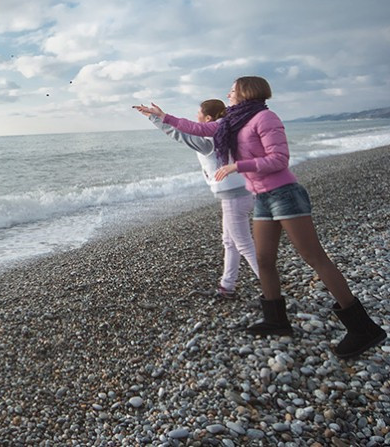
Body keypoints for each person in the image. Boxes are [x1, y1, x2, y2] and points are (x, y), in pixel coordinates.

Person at [137, 76, 386, 359]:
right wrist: (162, 116)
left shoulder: (266, 118)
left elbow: (279, 159)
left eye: (232, 91)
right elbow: (199, 128)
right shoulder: (233, 121)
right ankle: (276, 321)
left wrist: (236, 166)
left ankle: (364, 328)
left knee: (314, 256)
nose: (228, 95)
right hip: (262, 197)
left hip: (284, 194)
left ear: (246, 93)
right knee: (264, 260)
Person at [133, 99, 260, 299]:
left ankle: (273, 290)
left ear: (208, 118)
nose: (196, 117)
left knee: (243, 244)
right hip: (241, 191)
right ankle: (227, 286)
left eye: (198, 114)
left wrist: (153, 117)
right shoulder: (227, 129)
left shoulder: (209, 141)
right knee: (229, 241)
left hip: (233, 195)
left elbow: (179, 134)